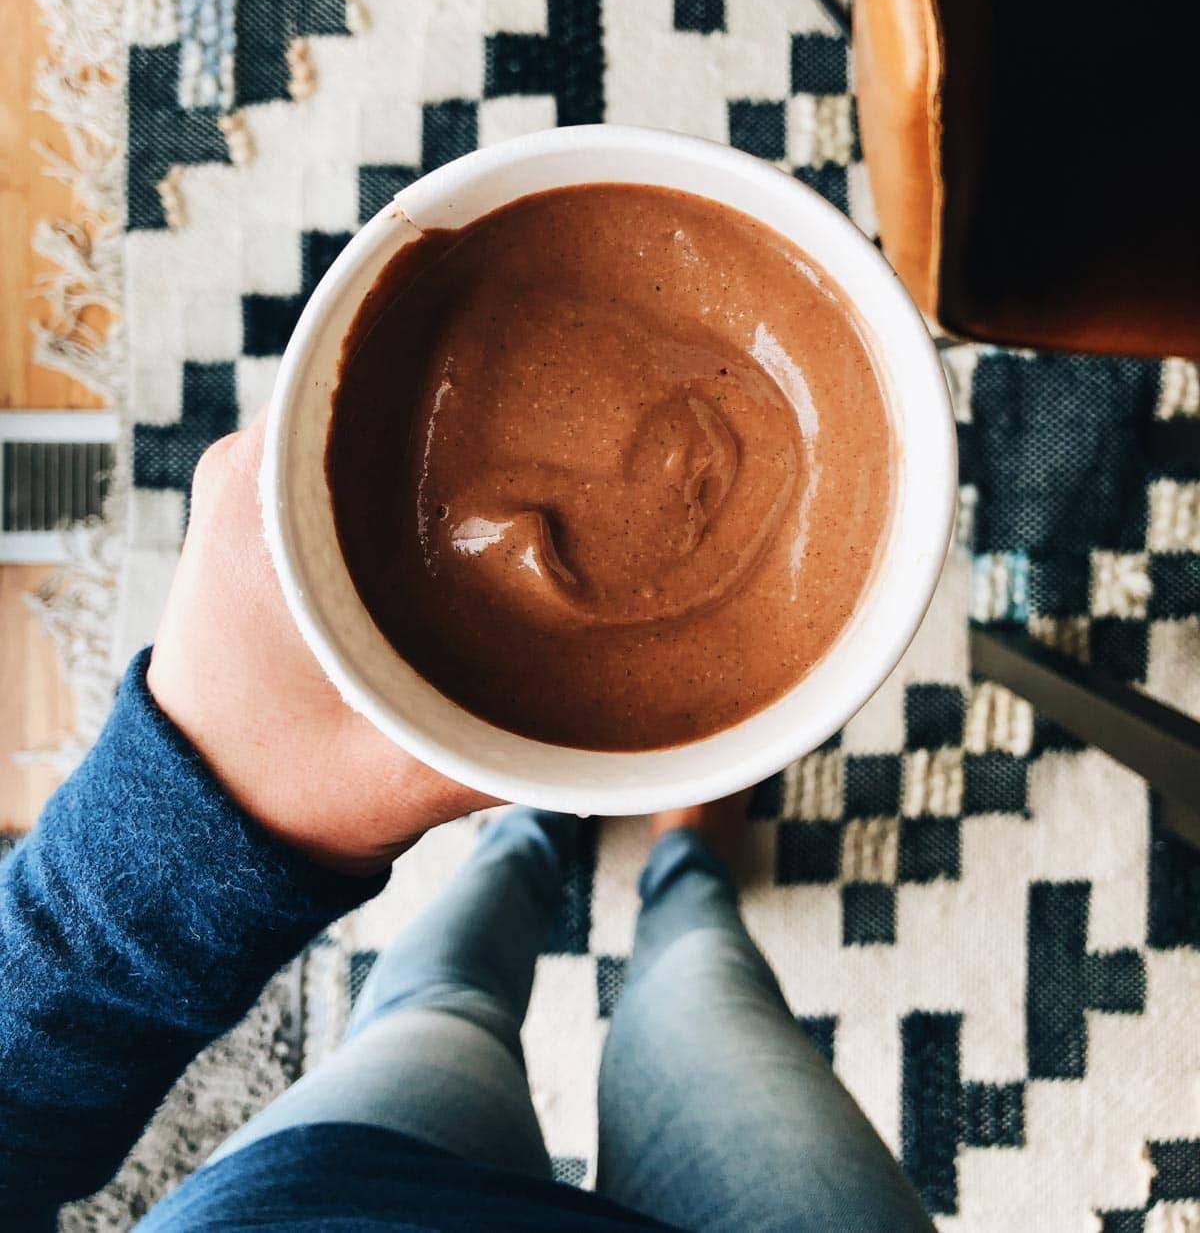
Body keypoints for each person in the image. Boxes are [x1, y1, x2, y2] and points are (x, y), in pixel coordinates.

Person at [0, 413, 935, 1233]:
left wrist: (198, 813)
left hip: (326, 1195)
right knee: (703, 975)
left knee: (441, 996)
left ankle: (530, 832)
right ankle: (681, 858)